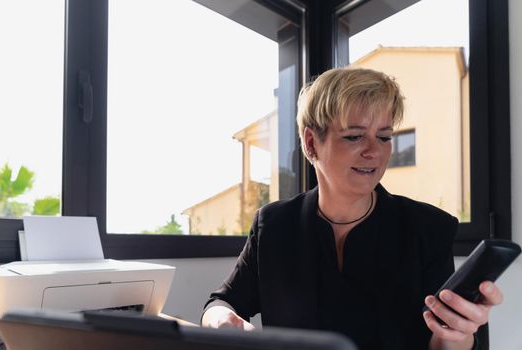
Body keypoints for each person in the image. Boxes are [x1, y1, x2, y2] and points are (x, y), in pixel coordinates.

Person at [201, 67, 503, 350]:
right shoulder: (274, 224)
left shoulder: (428, 227)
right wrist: (220, 319)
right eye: (354, 136)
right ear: (311, 143)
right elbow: (222, 302)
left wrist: (458, 335)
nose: (375, 152)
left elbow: (444, 340)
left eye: (384, 137)